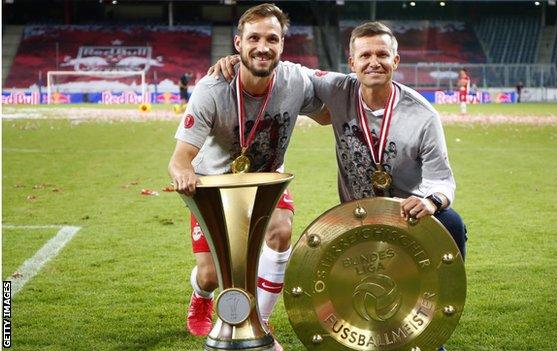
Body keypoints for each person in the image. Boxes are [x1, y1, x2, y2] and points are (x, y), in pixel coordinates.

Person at [209, 21, 466, 351]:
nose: (374, 62)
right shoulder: (337, 89)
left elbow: (442, 178)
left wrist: (430, 201)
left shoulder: (423, 116)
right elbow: (285, 69)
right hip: (356, 219)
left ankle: (429, 327)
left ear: (396, 61)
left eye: (383, 55)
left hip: (408, 218)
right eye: (366, 55)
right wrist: (238, 60)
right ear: (352, 62)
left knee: (452, 223)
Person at [168, 4, 325, 349]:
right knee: (211, 275)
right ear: (238, 43)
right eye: (253, 38)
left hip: (265, 181)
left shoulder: (295, 79)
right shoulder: (213, 87)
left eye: (272, 38)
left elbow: (329, 113)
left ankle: (260, 322)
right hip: (215, 186)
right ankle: (201, 296)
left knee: (281, 232)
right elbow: (180, 159)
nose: (263, 46)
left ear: (283, 45)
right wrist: (183, 176)